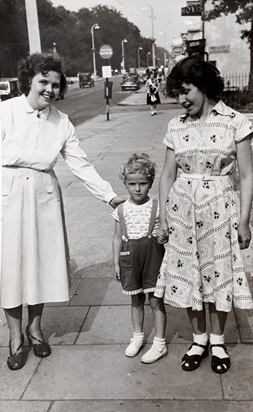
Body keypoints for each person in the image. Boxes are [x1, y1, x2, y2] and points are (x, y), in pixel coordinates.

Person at [1, 53, 124, 371]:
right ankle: (16, 337)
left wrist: (110, 198)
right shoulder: (5, 111)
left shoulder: (62, 122)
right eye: (43, 81)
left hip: (44, 192)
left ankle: (35, 328)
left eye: (55, 85)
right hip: (8, 192)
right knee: (11, 265)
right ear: (29, 78)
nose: (49, 89)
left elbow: (81, 165)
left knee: (40, 263)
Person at [155, 56, 253, 374]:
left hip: (220, 208)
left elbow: (247, 175)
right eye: (177, 94)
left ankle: (219, 340)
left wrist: (244, 220)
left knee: (218, 271)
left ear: (203, 85)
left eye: (186, 92)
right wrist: (164, 217)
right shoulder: (176, 126)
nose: (182, 101)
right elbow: (167, 175)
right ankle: (199, 340)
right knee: (188, 272)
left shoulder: (235, 121)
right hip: (182, 209)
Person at [112, 153, 167, 363]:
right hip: (130, 260)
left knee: (156, 301)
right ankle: (137, 337)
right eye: (132, 184)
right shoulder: (121, 209)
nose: (137, 189)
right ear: (125, 184)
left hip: (153, 259)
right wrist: (116, 263)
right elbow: (117, 237)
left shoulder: (157, 207)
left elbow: (165, 232)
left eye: (142, 183)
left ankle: (160, 343)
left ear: (151, 183)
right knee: (136, 300)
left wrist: (164, 235)